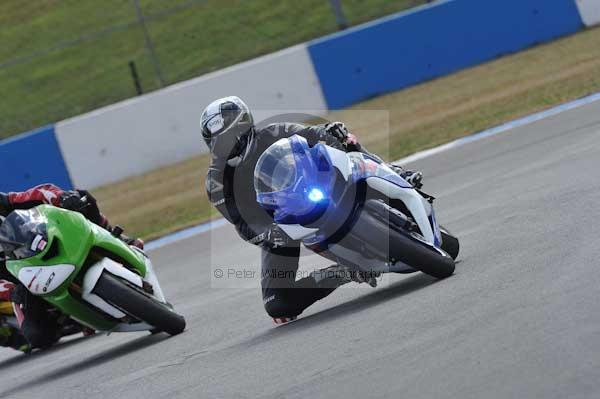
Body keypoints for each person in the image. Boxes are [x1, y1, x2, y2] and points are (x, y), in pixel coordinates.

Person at [202, 96, 423, 324]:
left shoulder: (276, 131)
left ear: (244, 126)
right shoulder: (216, 182)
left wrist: (329, 131)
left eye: (228, 137)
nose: (225, 146)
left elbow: (312, 134)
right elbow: (241, 222)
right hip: (281, 224)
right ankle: (341, 272)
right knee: (277, 304)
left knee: (342, 137)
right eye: (217, 143)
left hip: (316, 184)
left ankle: (395, 173)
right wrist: (268, 234)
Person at [0, 184, 144, 351]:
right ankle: (23, 334)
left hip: (36, 248)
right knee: (37, 337)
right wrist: (10, 291)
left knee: (81, 198)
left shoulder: (2, 202)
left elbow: (34, 195)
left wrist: (61, 197)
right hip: (20, 280)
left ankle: (119, 239)